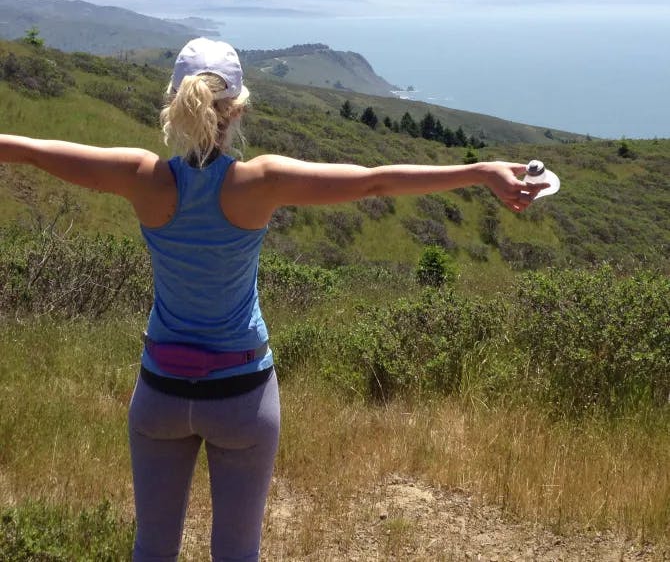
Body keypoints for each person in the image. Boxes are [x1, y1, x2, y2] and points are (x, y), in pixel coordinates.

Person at [0, 37, 546, 561]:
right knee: (238, 554)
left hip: (160, 391)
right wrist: (479, 172)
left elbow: (31, 152)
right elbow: (374, 183)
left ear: (173, 105)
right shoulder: (258, 181)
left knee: (152, 549)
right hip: (242, 396)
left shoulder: (141, 176)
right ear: (236, 111)